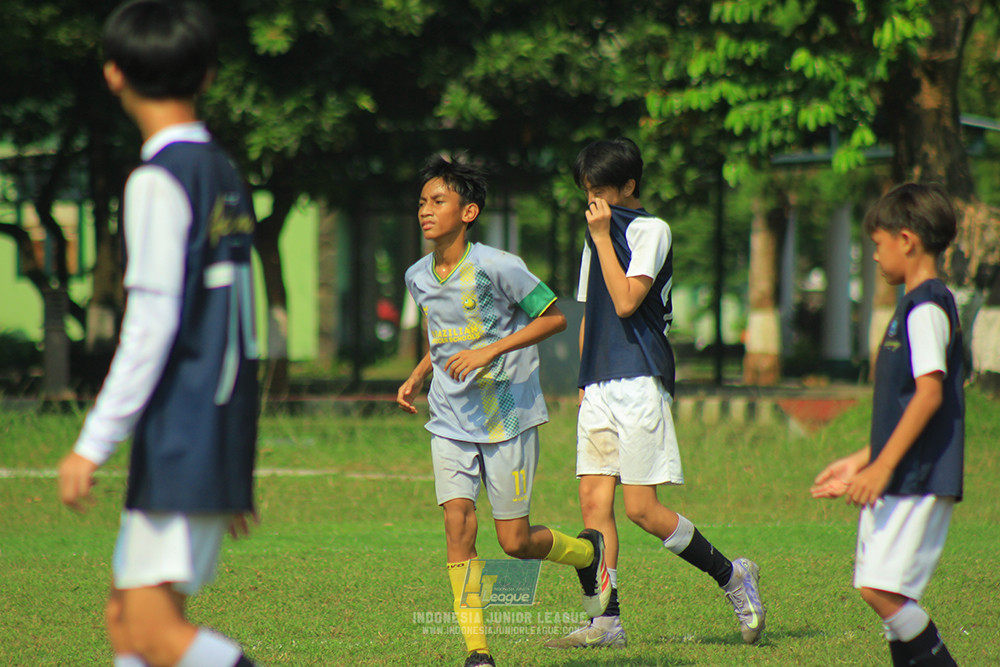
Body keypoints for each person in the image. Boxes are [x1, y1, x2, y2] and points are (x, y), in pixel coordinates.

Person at [56, 2, 259, 666]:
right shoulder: (224, 174)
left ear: (113, 74)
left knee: (150, 631)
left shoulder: (157, 179)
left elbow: (150, 326)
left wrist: (91, 443)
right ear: (205, 74)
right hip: (211, 429)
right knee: (126, 621)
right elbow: (240, 320)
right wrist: (233, 457)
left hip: (181, 435)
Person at [545, 138, 766, 649]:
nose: (594, 203)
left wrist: (601, 236)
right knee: (592, 503)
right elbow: (591, 309)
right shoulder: (593, 235)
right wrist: (583, 381)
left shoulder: (651, 229)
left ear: (629, 186)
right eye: (587, 193)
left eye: (602, 192)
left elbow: (625, 302)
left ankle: (733, 576)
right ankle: (606, 621)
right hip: (599, 382)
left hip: (639, 376)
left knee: (642, 509)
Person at [397, 154, 611, 667]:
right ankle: (478, 652)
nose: (426, 211)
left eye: (438, 201)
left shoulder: (498, 265)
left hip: (506, 414)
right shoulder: (416, 276)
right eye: (422, 202)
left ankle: (587, 554)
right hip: (448, 419)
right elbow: (445, 333)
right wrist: (420, 371)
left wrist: (491, 351)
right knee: (458, 525)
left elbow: (554, 317)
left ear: (468, 212)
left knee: (514, 542)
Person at [812, 183, 963, 667]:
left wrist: (882, 469)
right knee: (881, 591)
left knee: (881, 590)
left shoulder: (926, 307)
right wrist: (861, 461)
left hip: (919, 474)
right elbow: (902, 405)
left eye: (877, 246)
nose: (874, 257)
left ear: (906, 240)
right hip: (901, 470)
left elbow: (930, 394)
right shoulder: (912, 305)